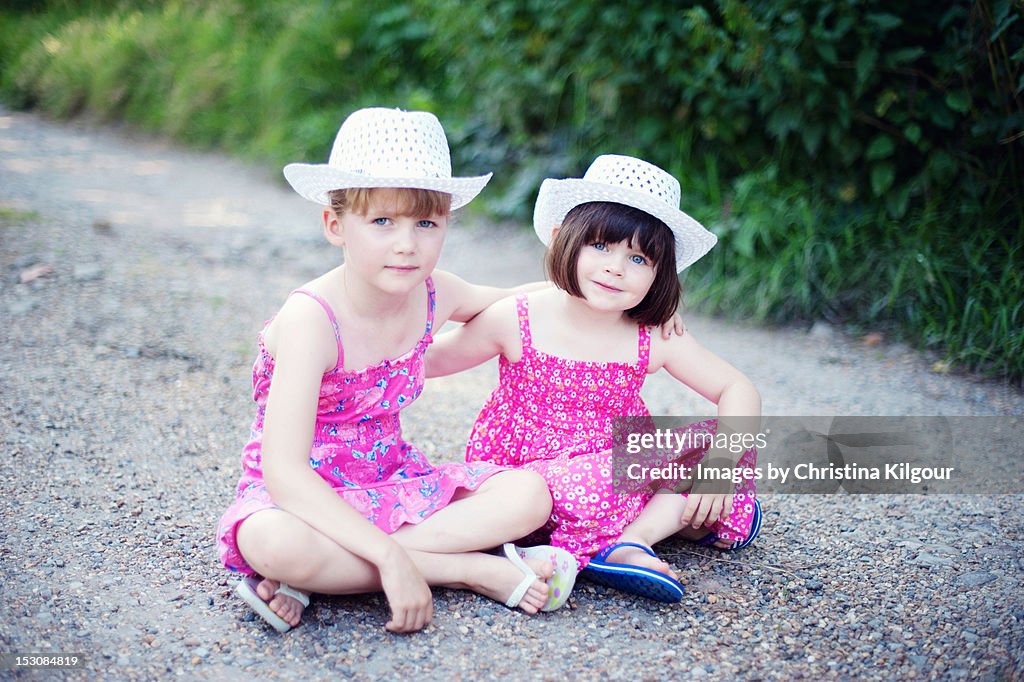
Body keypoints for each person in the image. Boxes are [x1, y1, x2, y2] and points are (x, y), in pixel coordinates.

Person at [216, 107, 578, 635]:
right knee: (272, 543)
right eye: (382, 221)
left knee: (529, 494)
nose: (406, 243)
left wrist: (604, 295)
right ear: (335, 224)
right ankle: (463, 570)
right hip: (305, 496)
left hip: (392, 481)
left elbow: (515, 302)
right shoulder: (311, 320)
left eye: (426, 223)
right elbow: (285, 474)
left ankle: (328, 575)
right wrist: (391, 560)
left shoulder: (434, 293)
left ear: (446, 225)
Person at [426, 154, 764, 603]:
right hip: (529, 482)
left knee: (726, 446)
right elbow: (430, 362)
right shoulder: (517, 318)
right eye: (601, 246)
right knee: (602, 485)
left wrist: (720, 467)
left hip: (617, 470)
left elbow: (736, 388)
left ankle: (632, 541)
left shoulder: (652, 335)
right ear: (562, 240)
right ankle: (658, 526)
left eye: (638, 257)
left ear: (660, 274)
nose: (616, 267)